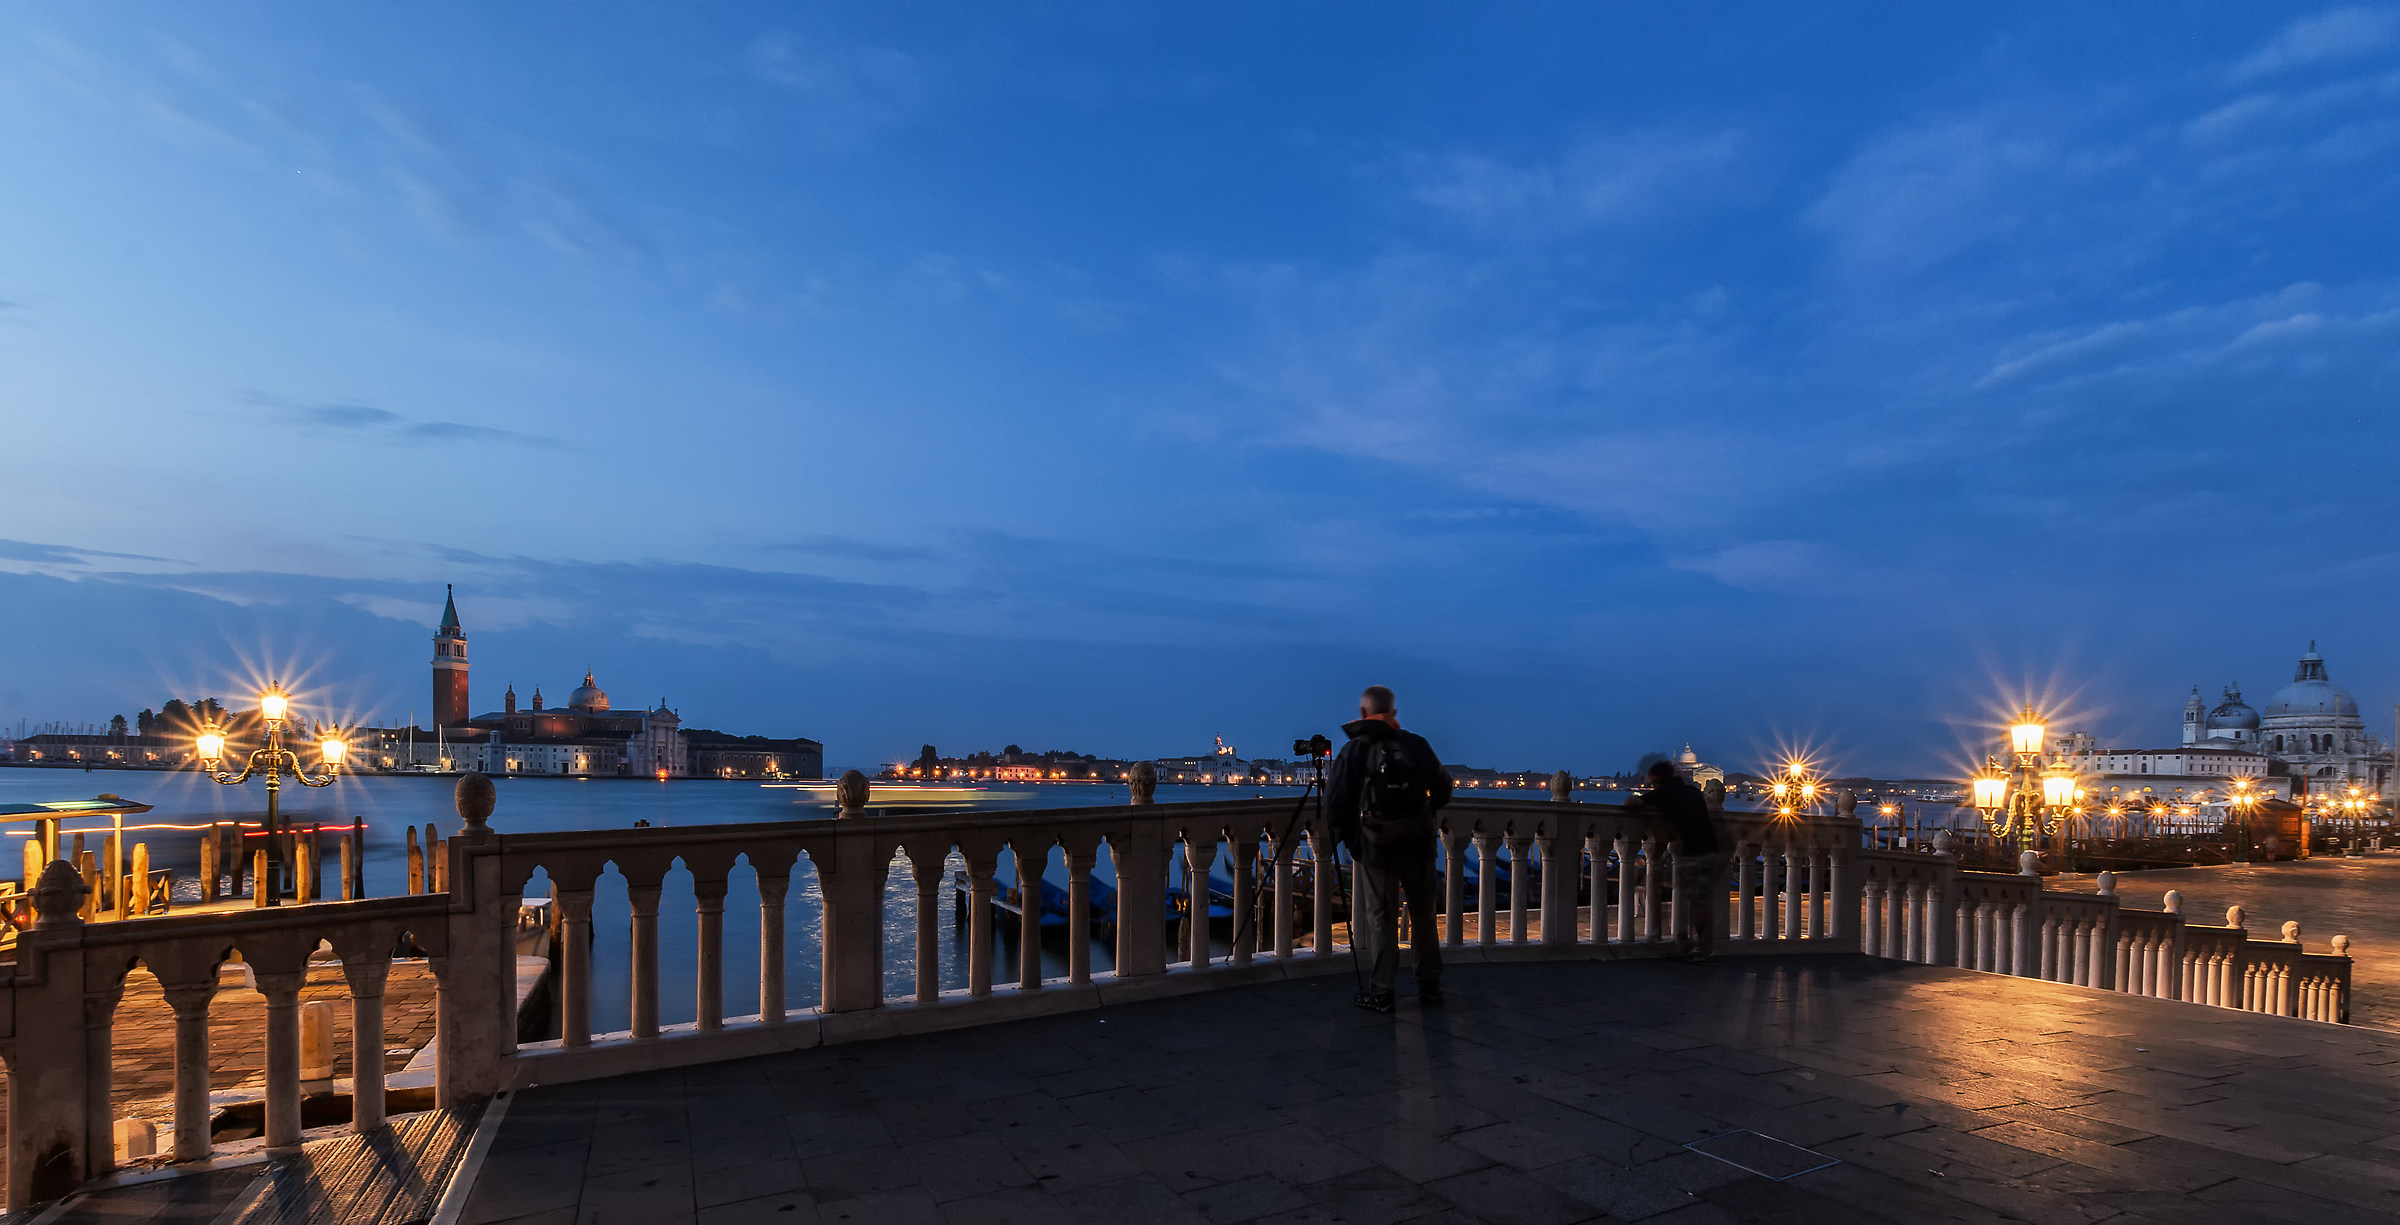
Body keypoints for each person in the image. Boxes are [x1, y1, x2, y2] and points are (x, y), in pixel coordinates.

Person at [1325, 685, 1454, 1013]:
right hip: (1419, 844)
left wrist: (1356, 842)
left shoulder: (1355, 750)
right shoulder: (1416, 745)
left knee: (1382, 918)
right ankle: (1430, 986)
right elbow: (1443, 788)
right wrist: (1425, 818)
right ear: (1394, 713)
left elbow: (1335, 806)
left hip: (1376, 847)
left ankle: (1382, 992)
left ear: (1364, 714)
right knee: (1424, 916)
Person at [1630, 760, 1724, 962]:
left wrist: (1640, 795)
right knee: (1698, 899)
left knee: (1697, 901)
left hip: (1695, 851)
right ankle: (1694, 941)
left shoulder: (1665, 792)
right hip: (1711, 849)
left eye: (1651, 782)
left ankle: (1702, 947)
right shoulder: (1692, 792)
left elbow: (1631, 804)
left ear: (1657, 779)